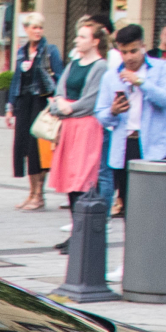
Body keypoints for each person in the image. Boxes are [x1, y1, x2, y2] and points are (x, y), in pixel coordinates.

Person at [98, 23, 166, 218]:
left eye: (133, 51)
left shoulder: (161, 68)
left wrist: (141, 83)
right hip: (125, 145)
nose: (129, 57)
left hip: (155, 145)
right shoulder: (111, 76)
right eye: (124, 52)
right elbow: (100, 114)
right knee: (130, 208)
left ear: (143, 46)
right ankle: (133, 247)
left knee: (157, 208)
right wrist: (113, 111)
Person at [46, 18, 112, 237]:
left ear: (95, 41)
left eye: (83, 37)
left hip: (86, 128)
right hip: (68, 128)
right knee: (69, 179)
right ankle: (76, 231)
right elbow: (58, 92)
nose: (77, 40)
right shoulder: (73, 64)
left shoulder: (100, 66)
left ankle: (84, 233)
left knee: (83, 179)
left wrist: (67, 108)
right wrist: (60, 106)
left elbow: (90, 102)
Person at [5, 14, 63, 211]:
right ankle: (31, 193)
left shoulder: (49, 50)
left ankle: (39, 194)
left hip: (41, 102)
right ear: (26, 28)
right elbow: (16, 80)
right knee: (24, 148)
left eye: (40, 27)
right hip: (24, 103)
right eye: (34, 27)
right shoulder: (22, 52)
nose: (37, 31)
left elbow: (60, 77)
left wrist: (57, 101)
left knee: (38, 149)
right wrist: (9, 107)